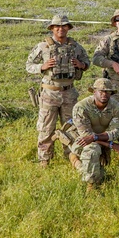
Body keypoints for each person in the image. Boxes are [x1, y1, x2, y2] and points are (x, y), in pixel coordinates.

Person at [26, 14, 90, 167]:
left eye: (64, 26)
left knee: (71, 127)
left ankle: (71, 155)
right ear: (52, 29)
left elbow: (87, 62)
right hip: (49, 93)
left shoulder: (75, 46)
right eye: (57, 26)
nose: (60, 29)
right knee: (46, 127)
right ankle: (45, 158)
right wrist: (42, 66)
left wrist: (81, 65)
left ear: (68, 28)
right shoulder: (43, 46)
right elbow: (29, 65)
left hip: (69, 93)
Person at [69, 78, 119, 190]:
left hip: (103, 140)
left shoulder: (117, 108)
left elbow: (115, 132)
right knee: (92, 151)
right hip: (84, 142)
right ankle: (91, 185)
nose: (104, 94)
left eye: (107, 91)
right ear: (94, 92)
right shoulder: (81, 107)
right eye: (101, 91)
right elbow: (86, 136)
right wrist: (111, 145)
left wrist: (97, 138)